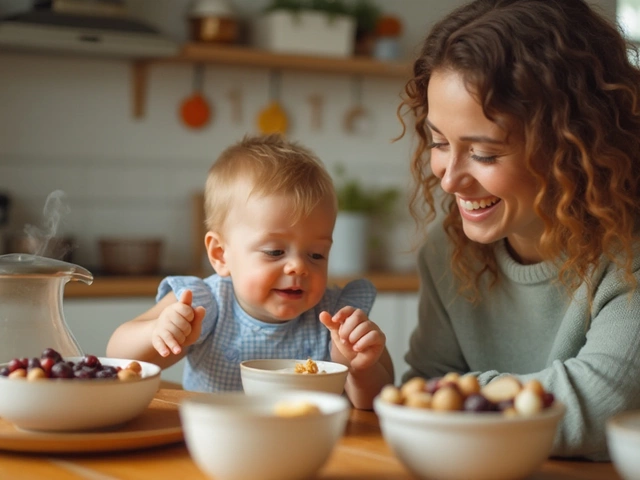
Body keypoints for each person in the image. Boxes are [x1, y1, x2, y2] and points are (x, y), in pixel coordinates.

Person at [397, 0, 640, 461]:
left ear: (574, 145)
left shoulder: (629, 256)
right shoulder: (449, 253)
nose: (449, 179)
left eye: (484, 154)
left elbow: (595, 407)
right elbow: (421, 390)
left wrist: (454, 397)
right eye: (439, 143)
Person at [106, 134, 394, 410]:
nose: (299, 266)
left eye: (316, 254)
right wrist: (159, 331)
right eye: (275, 252)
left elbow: (375, 402)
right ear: (221, 254)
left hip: (310, 445)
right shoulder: (203, 303)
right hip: (218, 445)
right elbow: (117, 356)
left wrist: (359, 366)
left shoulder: (337, 317)